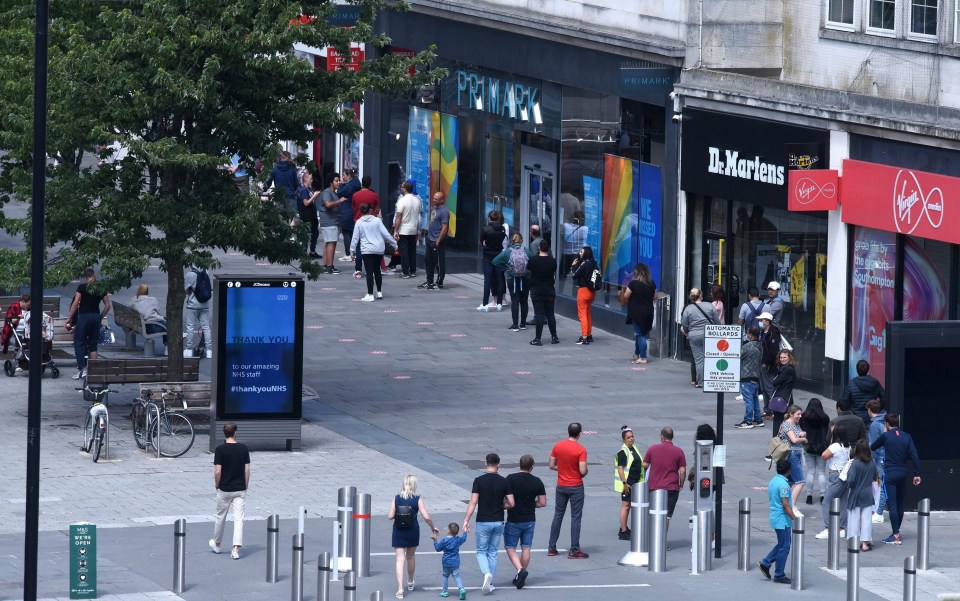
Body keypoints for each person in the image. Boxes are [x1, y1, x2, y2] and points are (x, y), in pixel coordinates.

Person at [462, 453, 514, 595]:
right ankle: (489, 582)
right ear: (499, 464)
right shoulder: (504, 482)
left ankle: (486, 574)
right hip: (498, 521)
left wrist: (466, 520)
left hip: (483, 521)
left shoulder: (478, 481)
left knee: (481, 551)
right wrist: (501, 506)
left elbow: (473, 502)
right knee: (492, 552)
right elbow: (511, 503)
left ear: (486, 463)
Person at [870, 414, 921, 545]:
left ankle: (895, 534)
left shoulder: (886, 436)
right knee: (900, 503)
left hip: (890, 473)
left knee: (892, 504)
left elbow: (873, 447)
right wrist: (917, 474)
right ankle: (897, 532)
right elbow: (914, 456)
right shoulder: (907, 436)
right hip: (903, 473)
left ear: (887, 423)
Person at [389, 475, 440, 599]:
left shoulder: (396, 498)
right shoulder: (417, 499)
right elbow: (426, 517)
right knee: (410, 557)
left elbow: (390, 516)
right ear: (414, 486)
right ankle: (410, 581)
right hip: (412, 530)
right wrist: (433, 527)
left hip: (399, 530)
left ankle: (400, 589)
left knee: (399, 559)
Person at [547, 422, 589, 558]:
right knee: (576, 517)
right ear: (579, 434)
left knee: (558, 515)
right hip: (575, 485)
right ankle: (574, 550)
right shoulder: (581, 450)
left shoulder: (558, 446)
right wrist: (582, 470)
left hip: (561, 485)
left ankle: (552, 548)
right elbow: (582, 470)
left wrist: (563, 468)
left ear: (568, 432)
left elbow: (551, 465)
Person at [504, 454, 546, 590]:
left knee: (510, 547)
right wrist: (532, 504)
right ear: (532, 467)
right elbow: (542, 503)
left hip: (514, 518)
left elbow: (505, 498)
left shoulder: (510, 479)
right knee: (526, 547)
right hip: (529, 519)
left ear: (520, 464)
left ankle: (520, 570)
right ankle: (521, 573)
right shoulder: (537, 481)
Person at [209, 422, 250, 560]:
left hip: (224, 488)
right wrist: (246, 484)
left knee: (220, 516)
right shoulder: (243, 449)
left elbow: (218, 471)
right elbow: (247, 470)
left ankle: (217, 544)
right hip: (240, 488)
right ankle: (236, 549)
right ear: (235, 433)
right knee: (239, 519)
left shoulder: (220, 450)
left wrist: (217, 485)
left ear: (224, 434)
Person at [65, 268, 112, 379]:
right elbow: (107, 305)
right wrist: (100, 316)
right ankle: (93, 370)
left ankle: (82, 369)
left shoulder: (82, 287)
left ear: (86, 277)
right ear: (93, 275)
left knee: (79, 341)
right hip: (95, 316)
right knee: (93, 344)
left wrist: (69, 318)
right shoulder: (101, 288)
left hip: (84, 317)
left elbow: (76, 304)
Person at [757, 458, 796, 585]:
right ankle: (779, 574)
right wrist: (794, 517)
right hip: (782, 519)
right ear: (788, 470)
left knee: (781, 544)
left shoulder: (773, 481)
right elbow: (785, 504)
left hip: (775, 516)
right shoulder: (784, 485)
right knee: (784, 547)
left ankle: (766, 563)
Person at [642, 426, 686, 536]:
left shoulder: (652, 449)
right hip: (672, 488)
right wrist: (681, 484)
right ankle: (662, 542)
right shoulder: (678, 451)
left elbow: (645, 464)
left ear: (662, 437)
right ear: (672, 437)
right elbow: (683, 471)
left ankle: (651, 540)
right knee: (666, 516)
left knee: (654, 513)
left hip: (654, 487)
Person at [352, 203, 396, 302]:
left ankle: (370, 294)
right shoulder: (377, 221)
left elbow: (355, 238)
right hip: (379, 249)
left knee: (369, 271)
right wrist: (395, 244)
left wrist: (352, 251)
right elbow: (386, 234)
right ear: (370, 210)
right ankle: (379, 292)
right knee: (377, 270)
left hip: (367, 249)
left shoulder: (359, 222)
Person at [815, 427, 852, 539]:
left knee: (826, 502)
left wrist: (830, 444)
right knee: (844, 501)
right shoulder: (848, 445)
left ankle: (828, 528)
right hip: (844, 474)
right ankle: (842, 527)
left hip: (836, 475)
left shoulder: (835, 446)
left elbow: (824, 455)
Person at [493, 233, 532, 331]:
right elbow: (532, 263)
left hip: (512, 279)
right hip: (525, 278)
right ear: (521, 240)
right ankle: (523, 324)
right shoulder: (527, 251)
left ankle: (515, 325)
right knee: (524, 301)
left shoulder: (507, 252)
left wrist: (507, 268)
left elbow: (495, 261)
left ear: (512, 241)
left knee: (515, 301)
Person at [846, 439, 879, 552]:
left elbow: (851, 481)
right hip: (868, 494)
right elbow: (875, 477)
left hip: (856, 494)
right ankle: (865, 543)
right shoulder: (872, 462)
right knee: (866, 519)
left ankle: (854, 541)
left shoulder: (855, 463)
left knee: (854, 518)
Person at [680, 288, 717, 388]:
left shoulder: (688, 309)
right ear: (700, 295)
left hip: (694, 335)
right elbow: (717, 322)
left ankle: (700, 382)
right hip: (709, 334)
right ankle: (712, 379)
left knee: (699, 360)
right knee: (710, 357)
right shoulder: (710, 306)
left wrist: (687, 332)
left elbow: (685, 324)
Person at [621, 263, 656, 364]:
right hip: (649, 311)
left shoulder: (633, 284)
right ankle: (637, 354)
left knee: (641, 334)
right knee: (639, 333)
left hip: (636, 312)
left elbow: (626, 295)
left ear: (636, 273)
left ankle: (643, 357)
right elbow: (655, 296)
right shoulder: (652, 283)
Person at [799, 398, 831, 505]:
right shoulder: (825, 418)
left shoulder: (804, 417)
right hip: (822, 448)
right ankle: (822, 495)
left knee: (810, 471)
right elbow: (827, 433)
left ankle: (809, 495)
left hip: (809, 447)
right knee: (821, 472)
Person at [528, 239, 559, 346]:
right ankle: (554, 337)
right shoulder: (553, 261)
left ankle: (538, 338)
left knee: (539, 314)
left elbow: (529, 268)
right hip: (550, 289)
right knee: (550, 314)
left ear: (539, 248)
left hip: (537, 290)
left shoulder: (533, 260)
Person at [615, 426, 644, 540]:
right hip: (628, 484)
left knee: (630, 506)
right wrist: (624, 483)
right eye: (628, 437)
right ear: (624, 439)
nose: (631, 439)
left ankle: (625, 527)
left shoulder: (634, 448)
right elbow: (620, 469)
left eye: (632, 436)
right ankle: (623, 531)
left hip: (635, 482)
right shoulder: (623, 451)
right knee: (626, 506)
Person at [778, 405, 807, 508]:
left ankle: (783, 504)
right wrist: (803, 439)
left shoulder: (796, 424)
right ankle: (792, 506)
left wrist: (801, 434)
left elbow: (796, 437)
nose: (800, 416)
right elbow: (794, 440)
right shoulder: (787, 424)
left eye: (801, 414)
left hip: (797, 454)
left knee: (790, 481)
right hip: (791, 454)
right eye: (798, 414)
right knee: (800, 481)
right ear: (791, 414)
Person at [420, 191, 450, 290]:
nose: (433, 200)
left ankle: (439, 282)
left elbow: (445, 228)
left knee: (439, 262)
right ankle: (429, 281)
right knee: (428, 261)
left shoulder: (444, 211)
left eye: (435, 199)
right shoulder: (434, 208)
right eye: (433, 198)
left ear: (441, 200)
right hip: (430, 239)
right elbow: (432, 222)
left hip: (437, 240)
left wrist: (438, 240)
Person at [393, 180, 422, 280]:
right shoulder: (417, 200)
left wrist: (395, 230)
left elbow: (398, 216)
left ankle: (405, 272)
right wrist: (418, 230)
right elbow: (419, 216)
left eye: (402, 187)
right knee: (412, 250)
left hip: (404, 229)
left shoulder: (402, 200)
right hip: (413, 228)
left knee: (404, 251)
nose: (401, 188)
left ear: (405, 189)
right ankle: (413, 271)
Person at [736, 326, 763, 428]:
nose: (746, 335)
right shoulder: (760, 346)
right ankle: (758, 419)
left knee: (748, 400)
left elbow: (737, 356)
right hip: (756, 377)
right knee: (754, 398)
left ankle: (748, 421)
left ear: (750, 334)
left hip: (746, 376)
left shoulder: (747, 347)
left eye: (747, 333)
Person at [479, 211, 507, 312]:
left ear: (490, 218)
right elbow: (502, 239)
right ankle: (499, 303)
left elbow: (481, 241)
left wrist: (486, 244)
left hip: (488, 255)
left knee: (488, 280)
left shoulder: (485, 229)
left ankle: (485, 303)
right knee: (499, 279)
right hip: (498, 254)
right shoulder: (502, 229)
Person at [842, 360, 885, 425]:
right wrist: (877, 410)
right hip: (871, 417)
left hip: (855, 418)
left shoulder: (851, 384)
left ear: (857, 370)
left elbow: (844, 402)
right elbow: (884, 398)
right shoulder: (875, 383)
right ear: (868, 370)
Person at [569, 246, 598, 345]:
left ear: (586, 253)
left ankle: (584, 336)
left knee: (582, 314)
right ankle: (589, 335)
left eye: (582, 252)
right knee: (587, 313)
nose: (580, 253)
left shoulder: (584, 264)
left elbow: (574, 276)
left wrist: (573, 266)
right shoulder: (594, 263)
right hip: (592, 291)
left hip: (583, 291)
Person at [319, 172, 347, 274]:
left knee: (329, 243)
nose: (338, 182)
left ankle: (326, 265)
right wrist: (339, 201)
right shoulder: (327, 192)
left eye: (339, 180)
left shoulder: (333, 192)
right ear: (331, 182)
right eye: (336, 180)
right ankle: (329, 266)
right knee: (331, 243)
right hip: (329, 221)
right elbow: (328, 204)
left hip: (332, 221)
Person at [431, 523, 468, 600]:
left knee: (445, 576)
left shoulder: (445, 540)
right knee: (457, 576)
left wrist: (435, 540)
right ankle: (461, 589)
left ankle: (445, 591)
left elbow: (438, 549)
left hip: (446, 562)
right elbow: (464, 539)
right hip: (455, 562)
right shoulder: (457, 540)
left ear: (448, 531)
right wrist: (465, 531)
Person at [866, 399, 888, 524]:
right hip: (885, 456)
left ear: (869, 410)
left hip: (879, 458)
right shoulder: (884, 421)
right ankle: (878, 511)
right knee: (881, 485)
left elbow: (874, 445)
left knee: (881, 486)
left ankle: (878, 512)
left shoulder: (874, 425)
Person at [129, 284, 168, 354]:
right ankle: (167, 346)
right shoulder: (152, 300)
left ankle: (167, 345)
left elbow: (129, 308)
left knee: (166, 321)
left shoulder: (133, 300)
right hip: (152, 326)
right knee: (169, 324)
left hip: (140, 325)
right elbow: (158, 312)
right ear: (147, 291)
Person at [758, 311, 783, 417]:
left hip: (769, 365)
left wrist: (766, 363)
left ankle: (773, 409)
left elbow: (773, 351)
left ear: (767, 321)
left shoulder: (773, 333)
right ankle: (767, 409)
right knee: (763, 387)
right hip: (762, 362)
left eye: (762, 320)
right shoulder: (763, 331)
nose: (760, 322)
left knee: (769, 387)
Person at [184, 267, 212, 359]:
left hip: (192, 305)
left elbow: (186, 291)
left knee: (190, 327)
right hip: (204, 305)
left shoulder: (190, 275)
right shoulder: (206, 272)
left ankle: (189, 349)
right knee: (206, 327)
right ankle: (209, 350)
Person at [769, 349, 797, 437]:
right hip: (786, 397)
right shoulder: (788, 368)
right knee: (785, 420)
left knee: (778, 420)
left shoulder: (787, 369)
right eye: (781, 357)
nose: (782, 359)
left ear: (789, 358)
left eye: (784, 357)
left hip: (782, 398)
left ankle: (777, 440)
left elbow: (775, 383)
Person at [263, 151, 299, 216]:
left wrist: (264, 189)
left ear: (280, 158)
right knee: (292, 220)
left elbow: (268, 182)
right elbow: (296, 184)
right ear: (289, 158)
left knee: (280, 220)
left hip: (279, 197)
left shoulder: (275, 169)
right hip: (290, 196)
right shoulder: (292, 168)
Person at [337, 167, 361, 262]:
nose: (342, 177)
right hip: (353, 210)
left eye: (344, 175)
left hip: (346, 210)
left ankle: (349, 253)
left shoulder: (348, 187)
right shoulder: (356, 184)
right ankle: (353, 252)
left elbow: (339, 192)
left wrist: (341, 185)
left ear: (349, 176)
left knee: (346, 232)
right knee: (352, 233)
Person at [297, 171, 321, 258]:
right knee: (307, 234)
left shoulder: (308, 189)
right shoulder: (303, 190)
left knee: (315, 233)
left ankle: (312, 251)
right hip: (306, 216)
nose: (312, 180)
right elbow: (306, 203)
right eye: (310, 178)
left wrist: (314, 196)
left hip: (311, 215)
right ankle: (304, 253)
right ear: (305, 179)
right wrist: (314, 196)